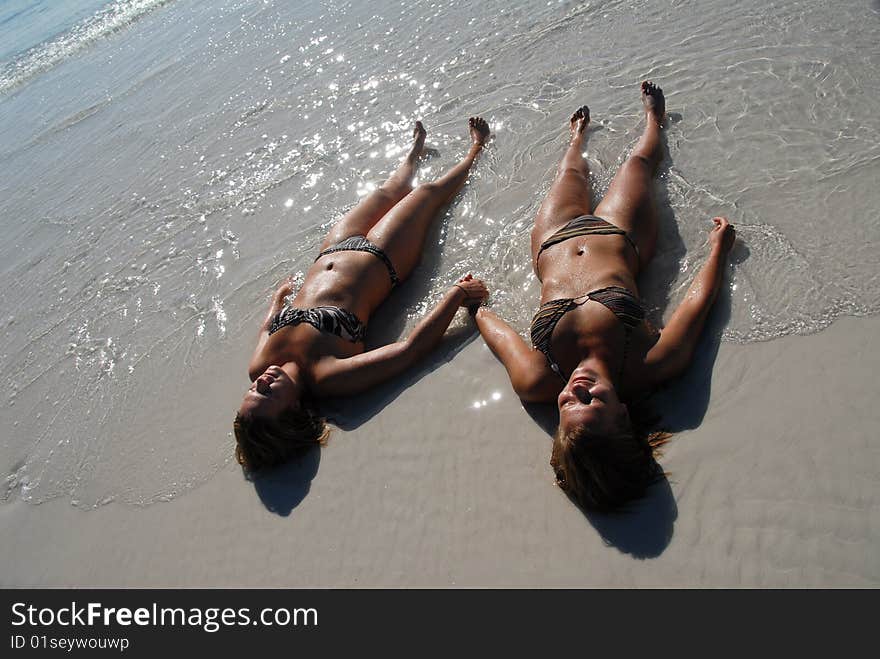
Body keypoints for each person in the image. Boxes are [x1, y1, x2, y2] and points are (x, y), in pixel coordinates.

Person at [473, 82, 736, 511]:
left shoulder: (537, 379)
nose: (576, 390)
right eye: (592, 402)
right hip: (620, 234)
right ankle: (655, 119)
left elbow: (493, 327)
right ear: (623, 416)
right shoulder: (653, 364)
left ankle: (577, 135)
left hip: (551, 243)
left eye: (566, 407)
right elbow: (696, 303)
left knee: (569, 173)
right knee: (638, 163)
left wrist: (473, 302)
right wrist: (718, 250)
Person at [236, 118, 491, 470]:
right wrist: (456, 295)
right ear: (293, 409)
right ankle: (477, 148)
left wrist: (277, 302)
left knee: (386, 191)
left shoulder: (259, 365)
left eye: (252, 392)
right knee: (426, 195)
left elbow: (267, 329)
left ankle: (414, 154)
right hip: (385, 256)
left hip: (332, 250)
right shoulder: (327, 376)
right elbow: (408, 351)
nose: (261, 383)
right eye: (267, 394)